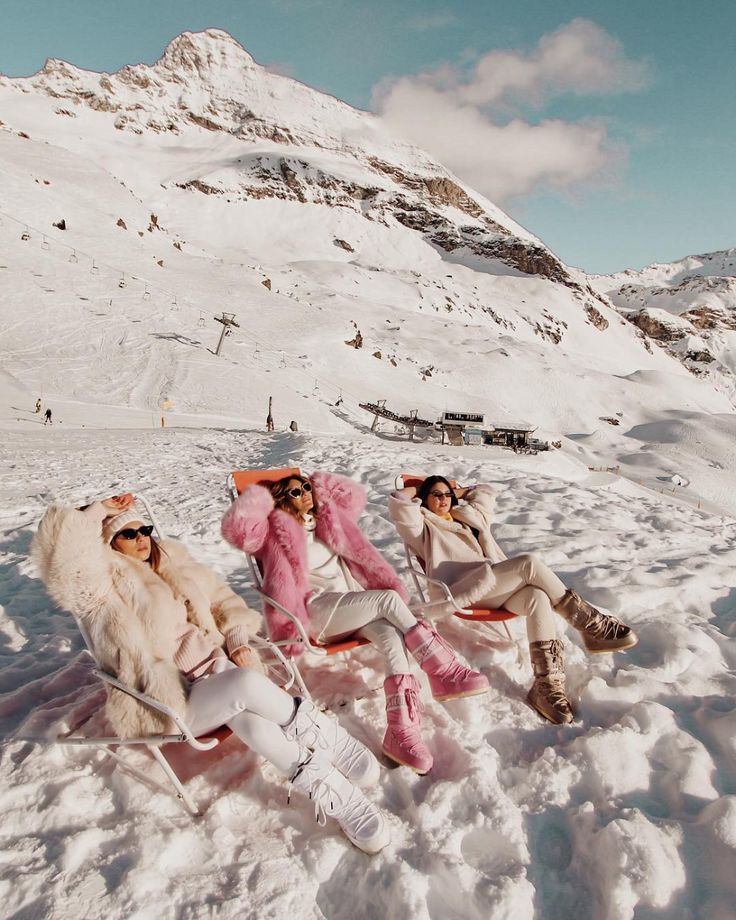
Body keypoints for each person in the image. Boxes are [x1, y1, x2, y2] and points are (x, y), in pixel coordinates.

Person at [32, 493, 389, 852]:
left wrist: (237, 640)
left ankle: (335, 793)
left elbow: (222, 600)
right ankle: (331, 739)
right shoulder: (104, 590)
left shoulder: (172, 564)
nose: (142, 538)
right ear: (108, 545)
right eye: (129, 534)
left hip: (220, 675)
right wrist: (99, 512)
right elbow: (69, 565)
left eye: (145, 529)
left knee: (250, 718)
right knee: (246, 683)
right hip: (170, 700)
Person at [221, 471, 489, 775]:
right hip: (312, 613)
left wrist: (319, 483)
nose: (306, 493)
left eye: (307, 488)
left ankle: (401, 733)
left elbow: (353, 496)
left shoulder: (326, 520)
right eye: (296, 492)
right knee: (388, 600)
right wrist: (259, 496)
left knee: (390, 636)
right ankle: (442, 668)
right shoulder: (272, 531)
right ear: (282, 500)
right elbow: (240, 531)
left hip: (347, 605)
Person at [389, 476, 638, 726]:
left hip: (492, 587)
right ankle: (592, 625)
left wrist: (457, 491)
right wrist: (420, 488)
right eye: (435, 494)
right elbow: (400, 502)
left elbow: (484, 491)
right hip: (460, 591)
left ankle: (546, 687)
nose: (442, 499)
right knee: (529, 564)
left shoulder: (467, 517)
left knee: (536, 596)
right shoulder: (422, 527)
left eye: (446, 494)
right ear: (424, 498)